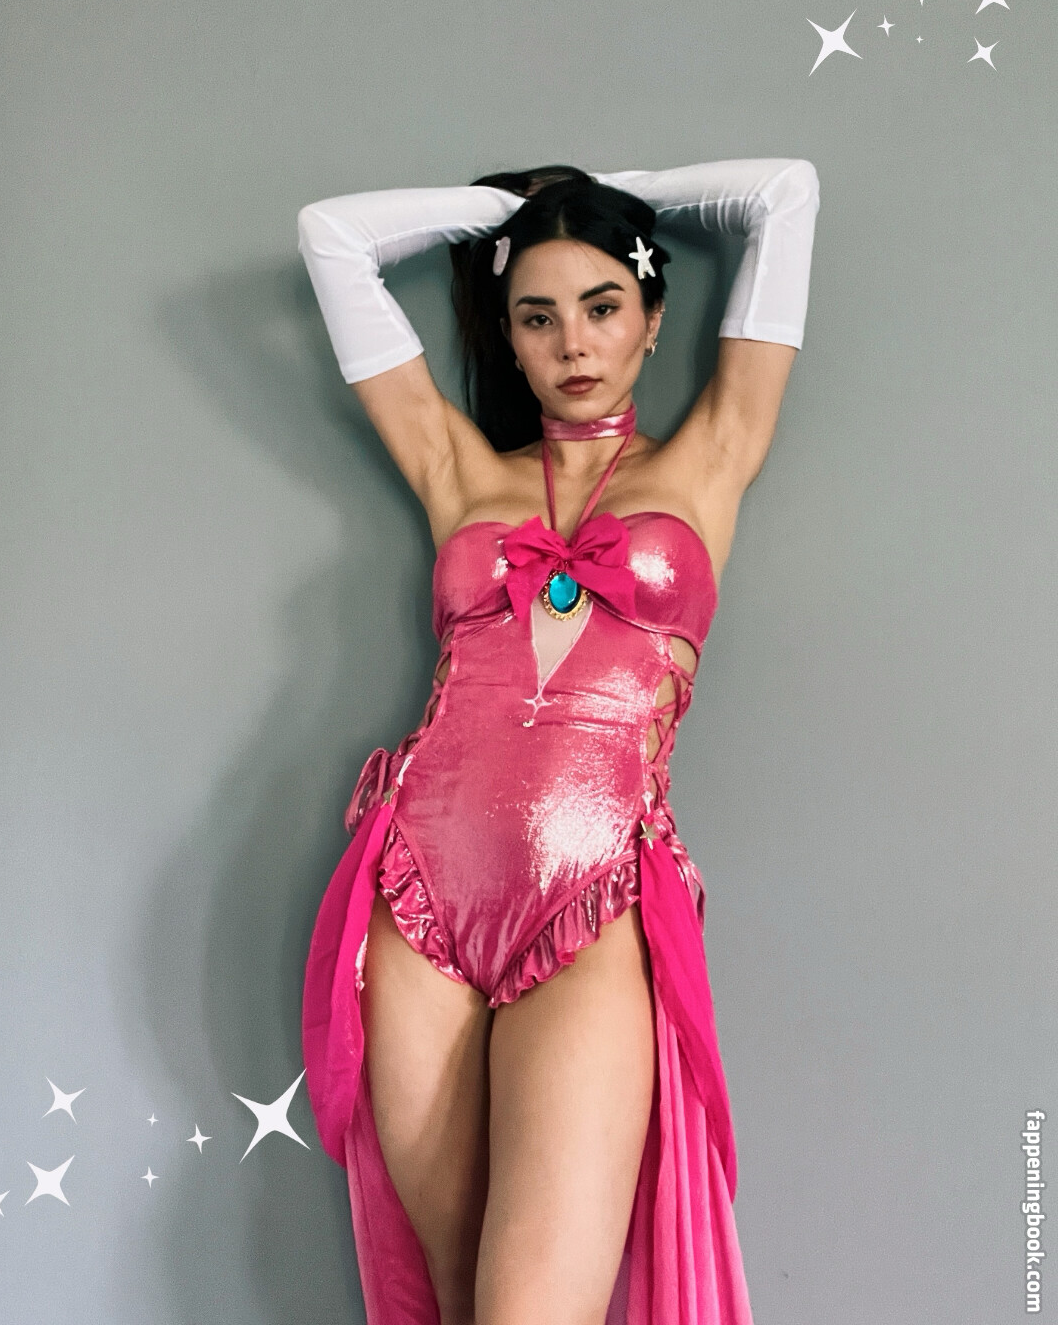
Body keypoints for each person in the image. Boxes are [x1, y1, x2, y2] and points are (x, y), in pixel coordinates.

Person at [297, 155, 820, 1325]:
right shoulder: (460, 475)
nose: (573, 343)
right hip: (419, 894)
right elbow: (331, 236)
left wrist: (605, 195)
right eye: (536, 317)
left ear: (652, 319)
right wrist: (507, 217)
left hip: (593, 904)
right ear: (509, 335)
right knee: (446, 1300)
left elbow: (786, 193)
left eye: (602, 306)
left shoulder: (707, 462)